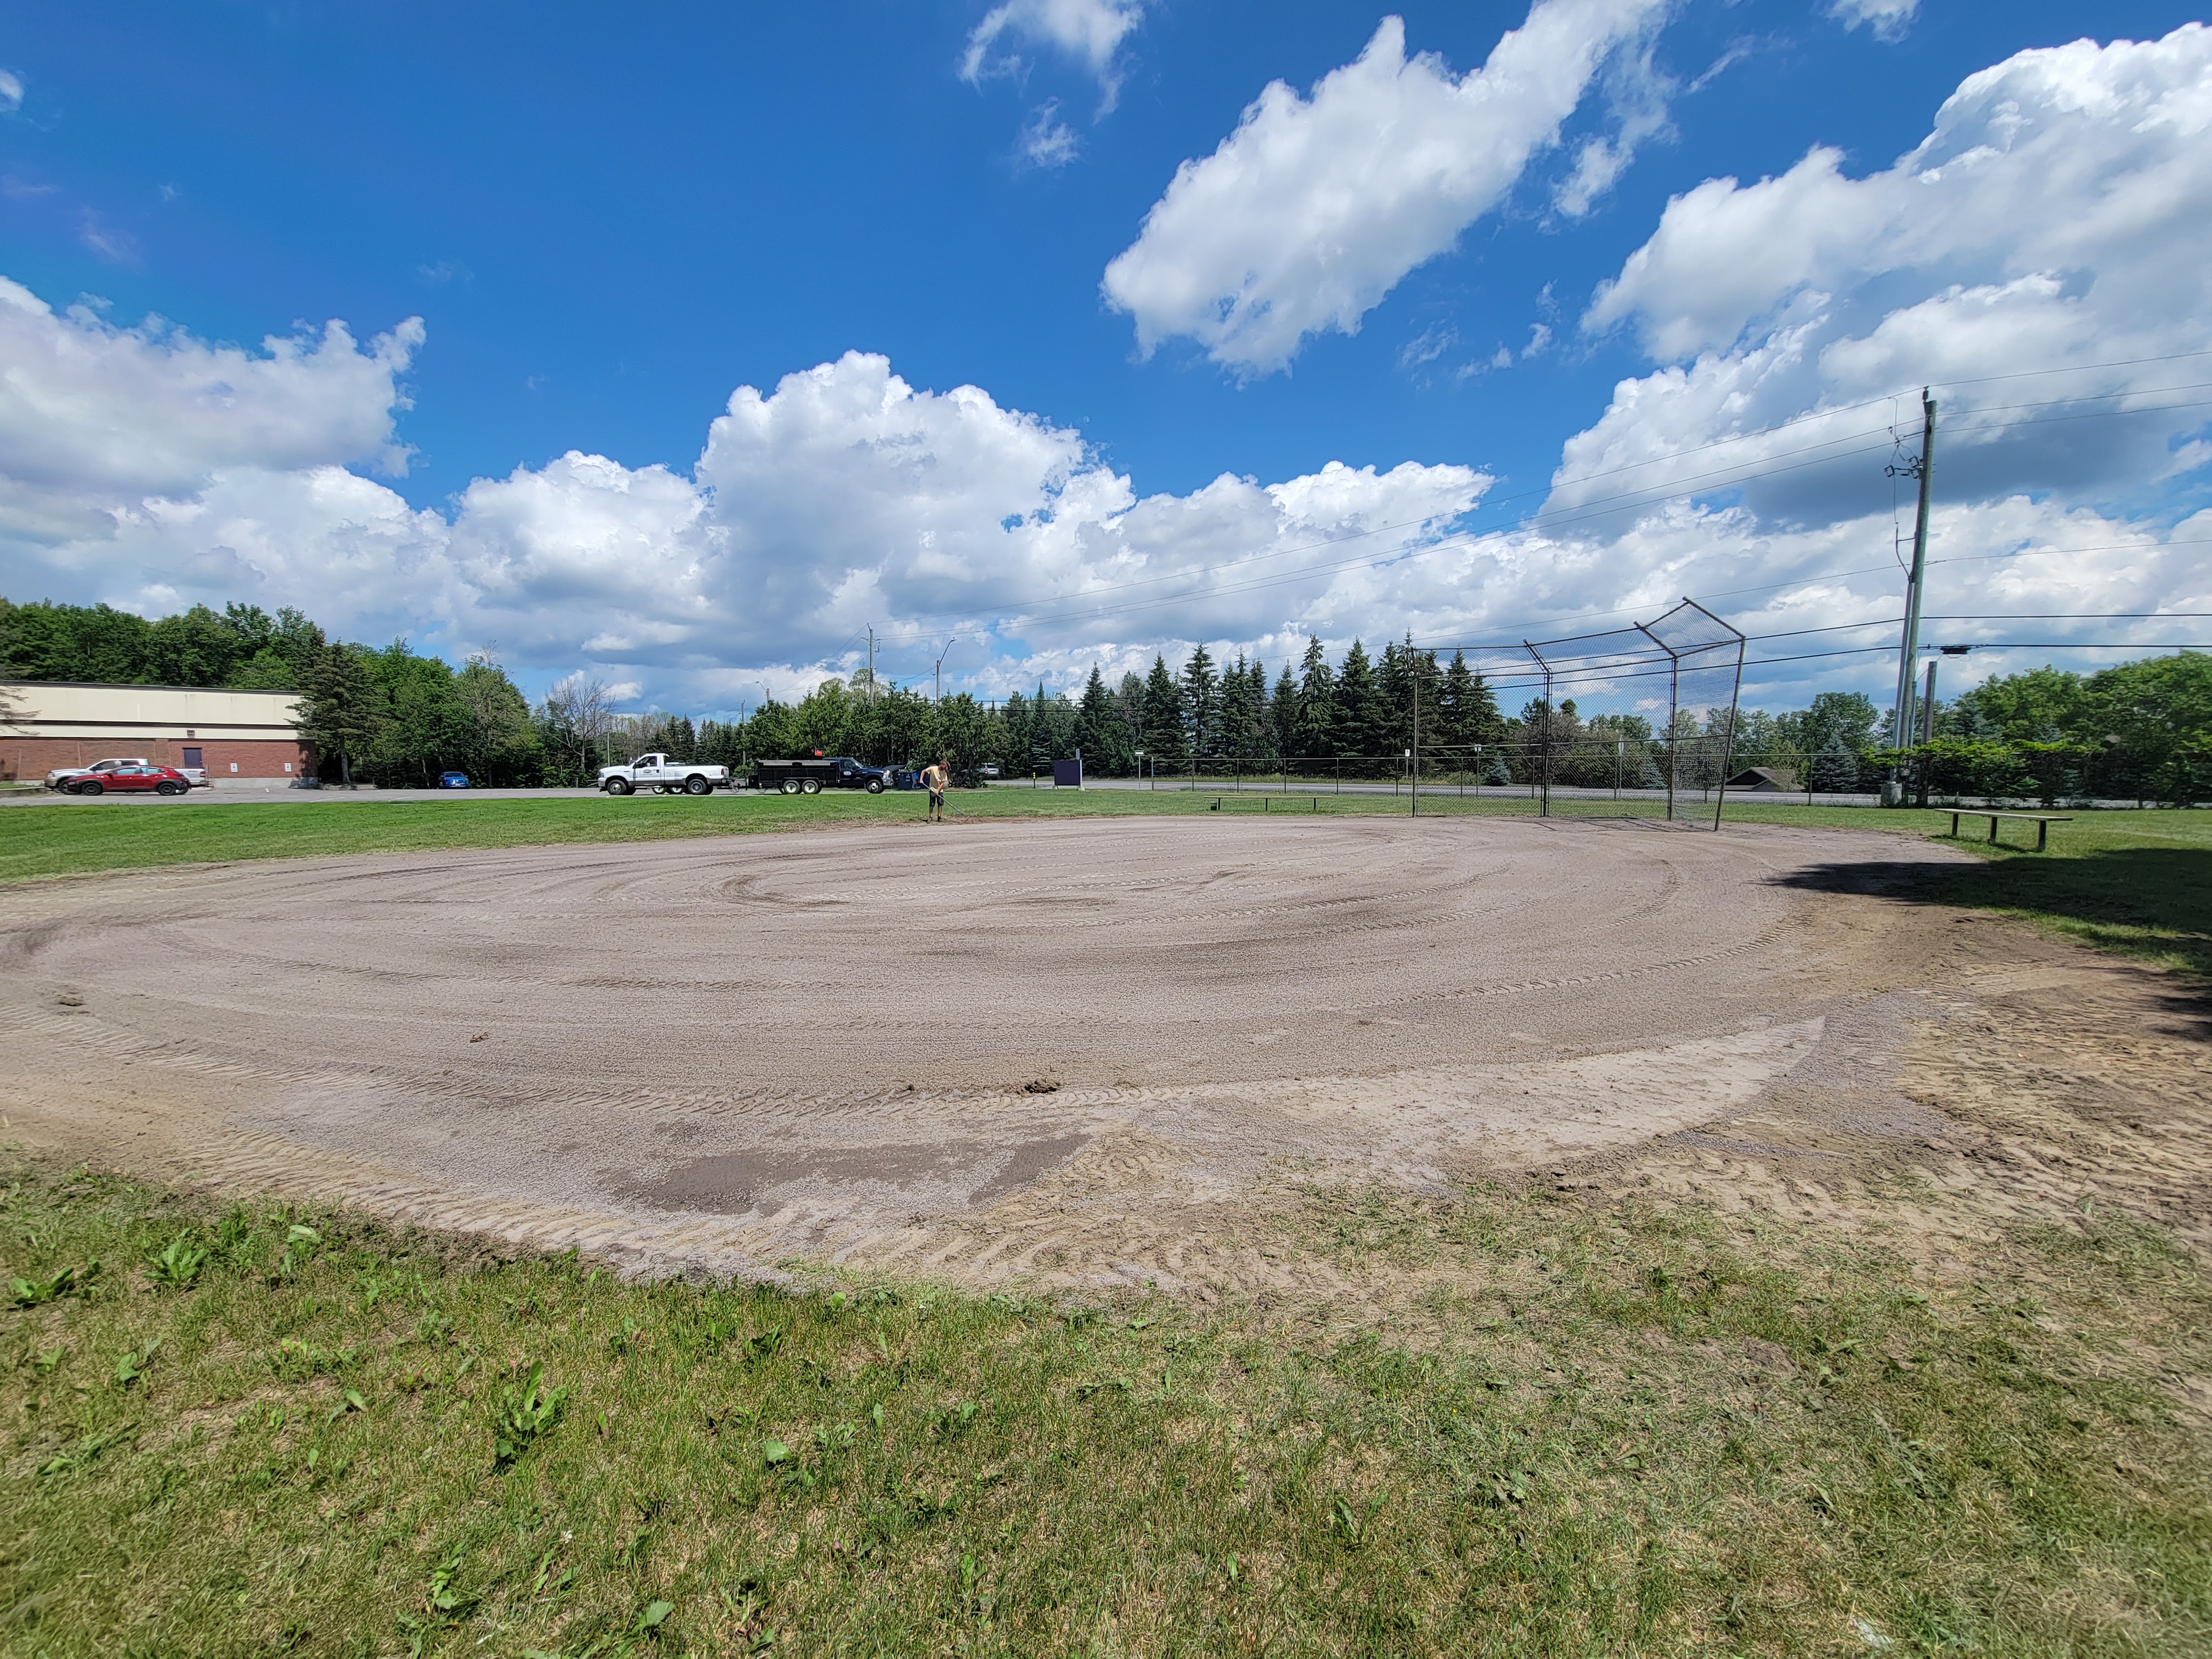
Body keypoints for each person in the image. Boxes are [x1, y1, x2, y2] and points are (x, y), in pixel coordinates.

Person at [920, 754, 949, 823]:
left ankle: (939, 817)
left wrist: (938, 790)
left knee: (940, 804)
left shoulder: (944, 773)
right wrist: (921, 779)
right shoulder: (933, 769)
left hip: (940, 790)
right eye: (945, 766)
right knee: (932, 804)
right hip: (933, 789)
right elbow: (923, 771)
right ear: (942, 765)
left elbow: (942, 783)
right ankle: (931, 817)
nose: (945, 768)